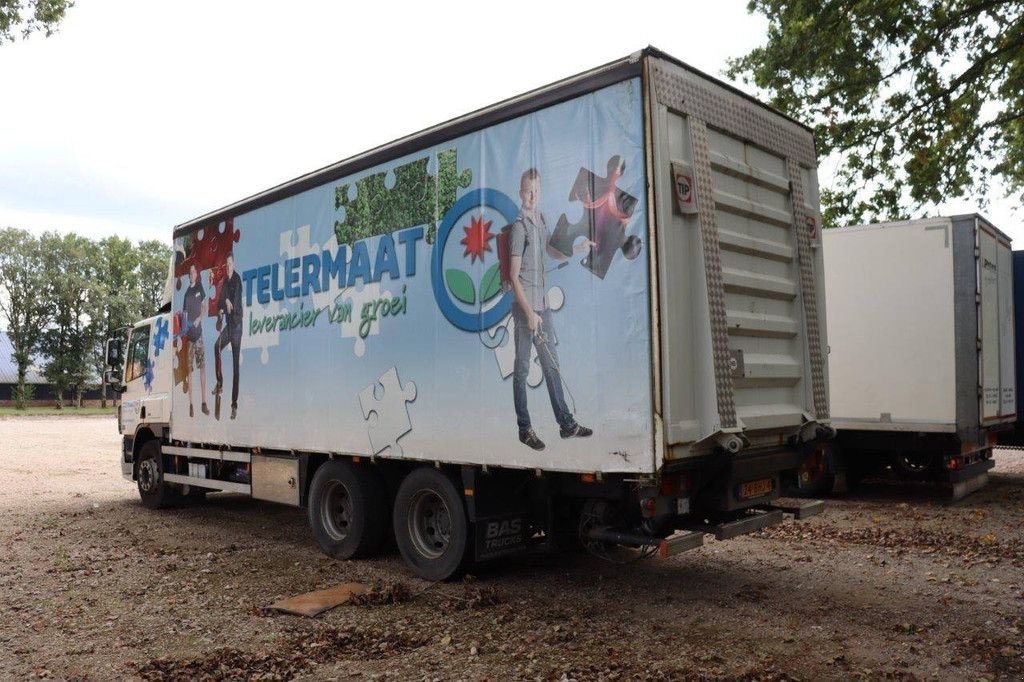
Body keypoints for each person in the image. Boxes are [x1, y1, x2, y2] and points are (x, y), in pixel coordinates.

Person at [508, 167, 592, 450]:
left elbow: (551, 251)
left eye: (536, 191)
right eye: (528, 191)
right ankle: (524, 428)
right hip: (526, 311)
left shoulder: (540, 219)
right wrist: (530, 314)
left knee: (551, 365)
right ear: (521, 193)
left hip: (543, 308)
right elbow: (512, 275)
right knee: (521, 370)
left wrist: (577, 249)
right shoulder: (519, 228)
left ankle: (566, 425)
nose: (532, 196)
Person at [213, 252, 243, 420]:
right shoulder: (225, 282)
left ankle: (234, 405)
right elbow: (220, 304)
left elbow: (235, 308)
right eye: (227, 265)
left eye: (230, 264)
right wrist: (221, 309)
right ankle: (220, 382)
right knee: (216, 347)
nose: (228, 268)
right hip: (228, 326)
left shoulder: (237, 281)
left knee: (235, 367)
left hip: (237, 327)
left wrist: (229, 305)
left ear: (234, 264)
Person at [183, 263, 210, 417]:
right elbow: (184, 316)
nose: (193, 274)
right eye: (191, 272)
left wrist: (199, 318)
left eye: (195, 271)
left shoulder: (200, 287)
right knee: (189, 370)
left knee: (202, 367)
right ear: (189, 275)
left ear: (197, 274)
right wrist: (184, 330)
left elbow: (204, 307)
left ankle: (204, 402)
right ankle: (191, 404)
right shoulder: (186, 293)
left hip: (198, 335)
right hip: (189, 337)